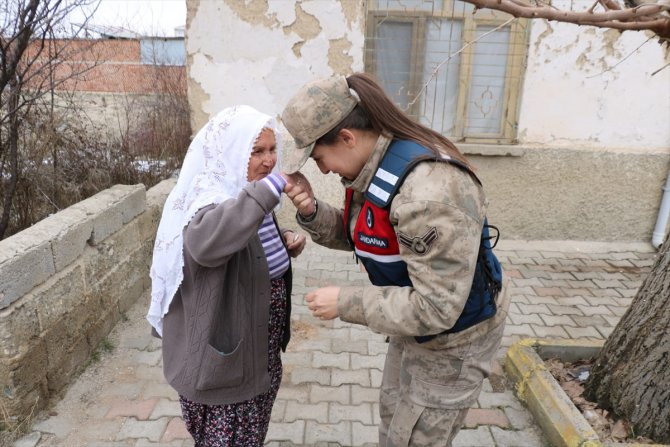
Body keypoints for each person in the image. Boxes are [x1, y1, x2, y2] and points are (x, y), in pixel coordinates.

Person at [280, 73, 510, 446]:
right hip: (416, 329)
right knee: (395, 418)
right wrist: (311, 212)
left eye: (319, 158)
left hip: (452, 340)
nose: (321, 170)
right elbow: (372, 237)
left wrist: (346, 302)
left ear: (347, 138)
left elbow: (437, 308)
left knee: (415, 436)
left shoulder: (426, 194)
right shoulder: (377, 165)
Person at [146, 105, 306, 446]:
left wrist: (283, 242)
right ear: (230, 151)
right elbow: (207, 243)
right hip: (225, 364)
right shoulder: (210, 197)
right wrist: (272, 186)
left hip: (258, 352)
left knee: (252, 435)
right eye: (257, 151)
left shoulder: (244, 188)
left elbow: (248, 241)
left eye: (272, 149)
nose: (268, 160)